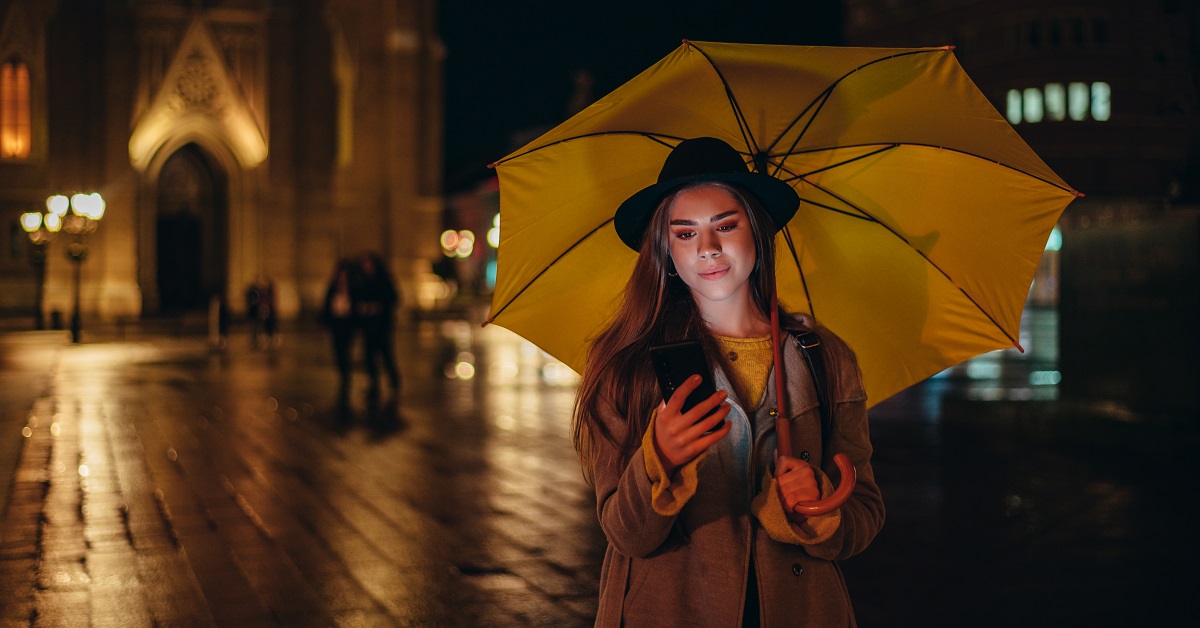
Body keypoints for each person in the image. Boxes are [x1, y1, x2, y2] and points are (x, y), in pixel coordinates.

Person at [573, 137, 884, 627]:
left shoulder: (825, 358)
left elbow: (863, 513)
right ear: (665, 250)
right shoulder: (626, 366)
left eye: (725, 225)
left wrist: (818, 501)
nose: (708, 248)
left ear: (757, 231)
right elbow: (626, 535)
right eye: (684, 233)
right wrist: (660, 459)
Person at [356, 253, 401, 401]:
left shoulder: (383, 280)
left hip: (382, 325)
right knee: (369, 357)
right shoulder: (362, 281)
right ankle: (374, 383)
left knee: (386, 354)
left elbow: (393, 298)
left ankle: (394, 381)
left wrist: (378, 306)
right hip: (368, 326)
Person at [321, 260, 359, 407]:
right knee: (338, 352)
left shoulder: (353, 289)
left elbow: (356, 308)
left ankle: (346, 377)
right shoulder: (333, 289)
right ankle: (343, 373)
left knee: (346, 351)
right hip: (336, 325)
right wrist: (324, 324)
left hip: (348, 325)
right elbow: (326, 307)